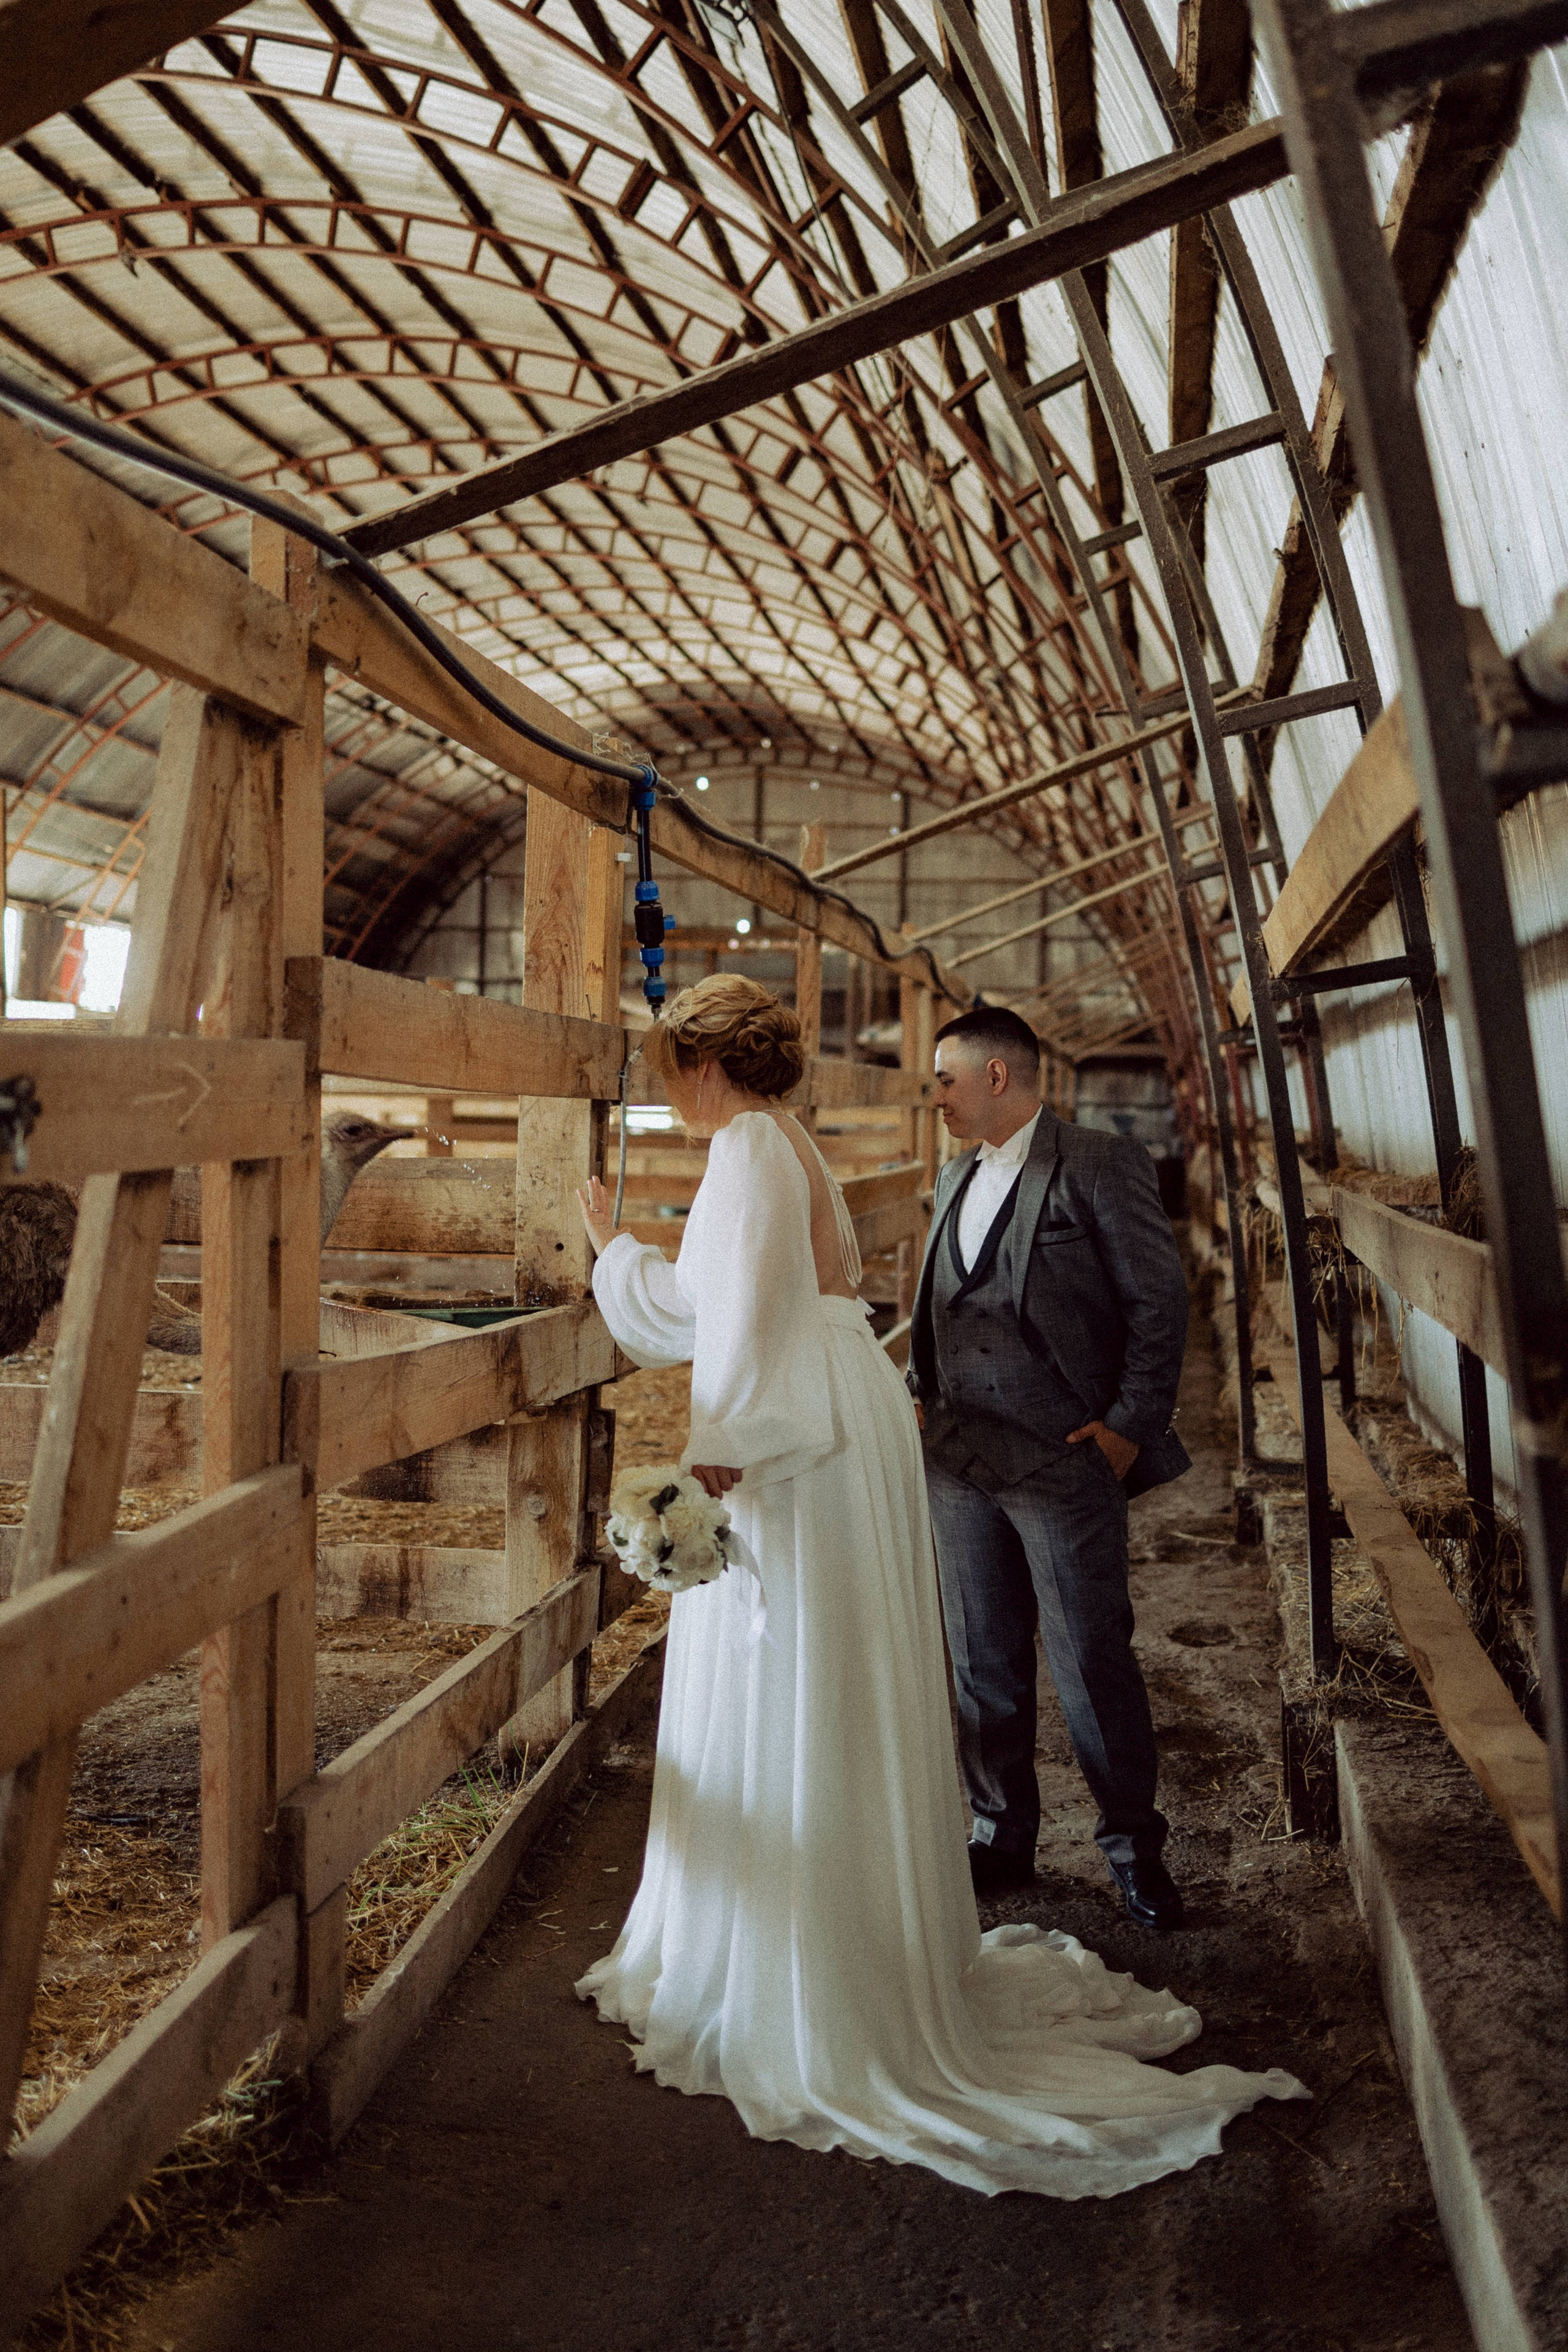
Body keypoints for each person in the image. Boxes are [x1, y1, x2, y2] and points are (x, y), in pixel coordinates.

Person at [571, 973, 1303, 2199]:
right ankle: (926, 1886)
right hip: (891, 1422)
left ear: (701, 1065)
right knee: (942, 1658)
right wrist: (638, 1268)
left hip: (818, 1431)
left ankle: (876, 1949)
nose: (672, 1098)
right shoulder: (796, 1141)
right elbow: (792, 1298)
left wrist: (703, 1418)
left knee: (900, 1659)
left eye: (670, 1076)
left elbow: (729, 1318)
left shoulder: (749, 1144)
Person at [910, 1004, 1191, 1927]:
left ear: (997, 1076)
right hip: (960, 1463)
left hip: (1063, 1462)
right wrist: (920, 1390)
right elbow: (940, 1299)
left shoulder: (1100, 1164)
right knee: (982, 1661)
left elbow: (1159, 1302)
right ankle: (1000, 1835)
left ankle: (1134, 1852)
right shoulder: (955, 1175)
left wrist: (1127, 1429)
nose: (936, 1096)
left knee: (1091, 1659)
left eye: (946, 1079)